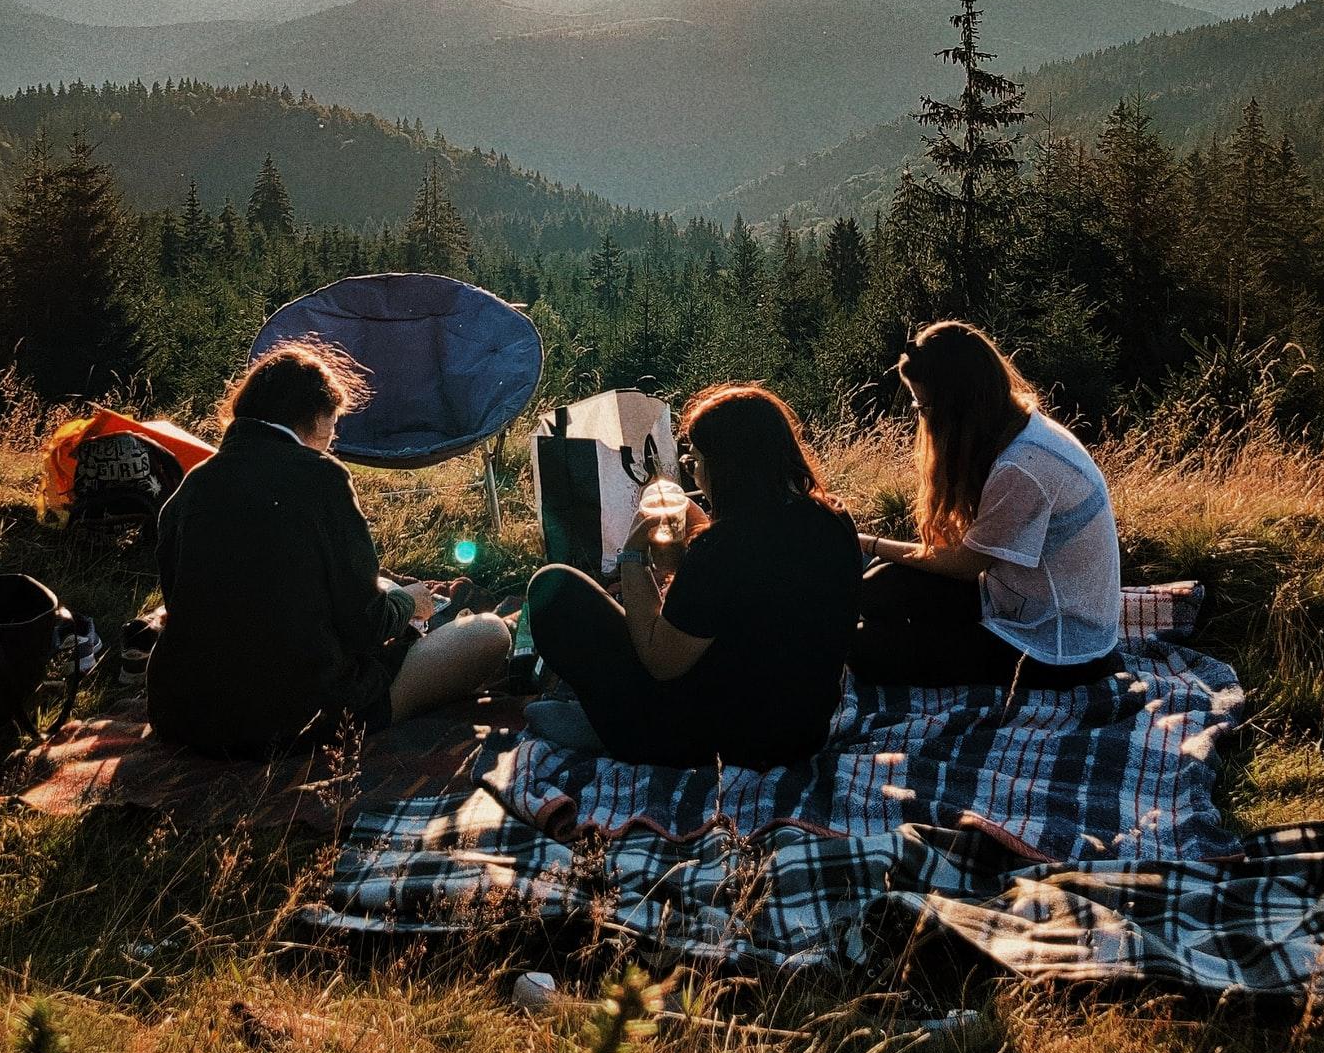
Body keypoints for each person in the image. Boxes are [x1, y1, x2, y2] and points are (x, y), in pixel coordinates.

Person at [148, 339, 512, 758]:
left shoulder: (193, 484)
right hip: (299, 719)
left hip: (185, 716)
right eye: (333, 422)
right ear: (316, 415)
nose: (333, 436)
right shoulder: (322, 478)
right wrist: (407, 605)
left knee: (382, 586)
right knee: (489, 633)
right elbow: (364, 626)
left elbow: (184, 605)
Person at [523, 382, 864, 768]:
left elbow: (660, 661)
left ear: (727, 468)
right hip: (803, 732)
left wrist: (633, 555)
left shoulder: (724, 549)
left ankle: (613, 729)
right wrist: (701, 529)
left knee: (554, 588)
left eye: (697, 462)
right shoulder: (834, 520)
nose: (694, 473)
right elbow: (755, 599)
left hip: (709, 741)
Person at [851, 320, 1121, 689]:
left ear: (956, 406)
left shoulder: (1022, 467)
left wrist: (869, 544)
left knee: (866, 649)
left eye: (923, 406)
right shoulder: (1018, 429)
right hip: (1017, 598)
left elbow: (964, 564)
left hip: (1057, 643)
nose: (921, 416)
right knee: (878, 586)